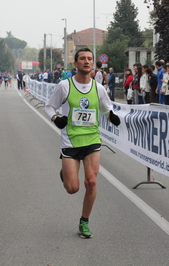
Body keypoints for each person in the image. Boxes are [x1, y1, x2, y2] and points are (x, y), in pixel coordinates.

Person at [44, 48, 120, 239]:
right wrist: (55, 118)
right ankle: (65, 173)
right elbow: (49, 106)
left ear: (93, 63)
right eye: (82, 59)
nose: (86, 61)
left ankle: (84, 221)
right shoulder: (65, 85)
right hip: (70, 140)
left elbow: (106, 108)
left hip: (92, 138)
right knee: (72, 188)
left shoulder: (99, 88)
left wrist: (112, 116)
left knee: (91, 182)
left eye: (89, 59)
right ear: (76, 63)